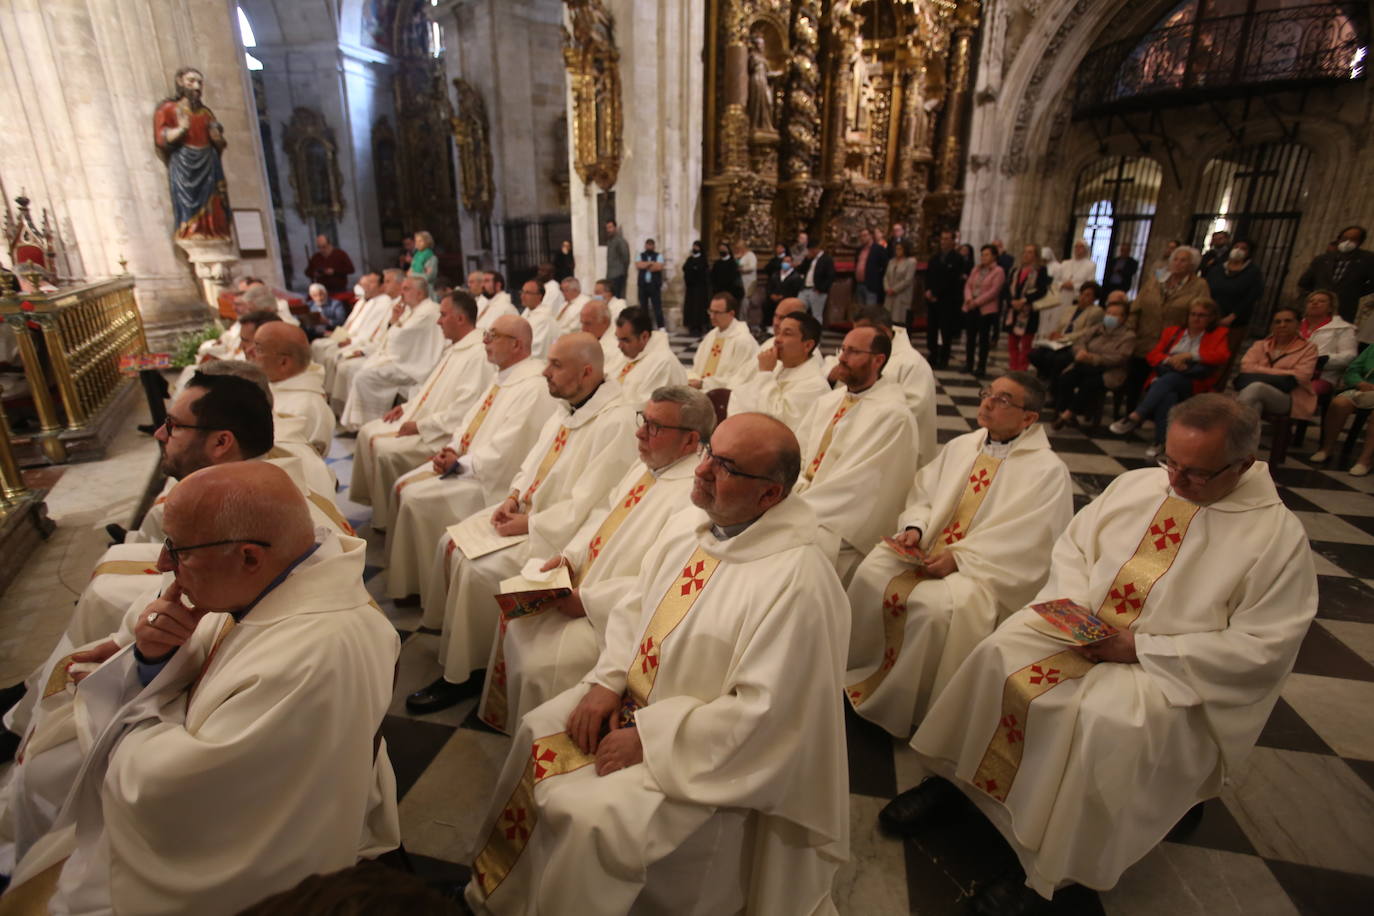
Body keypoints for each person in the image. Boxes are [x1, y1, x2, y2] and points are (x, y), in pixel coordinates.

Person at [895, 395, 1317, 913]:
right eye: (1171, 463)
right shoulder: (1139, 485)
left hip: (1167, 667)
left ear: (1244, 465)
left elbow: (1264, 646)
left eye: (1196, 474)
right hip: (1083, 630)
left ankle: (1054, 871)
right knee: (997, 654)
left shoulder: (1276, 538)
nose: (1175, 483)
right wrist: (1075, 609)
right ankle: (958, 785)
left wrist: (1139, 645)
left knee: (1100, 722)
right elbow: (1074, 546)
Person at [463, 413, 849, 915]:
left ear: (769, 497)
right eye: (710, 451)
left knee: (588, 817)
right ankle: (506, 896)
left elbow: (771, 714)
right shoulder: (697, 528)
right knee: (535, 732)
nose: (703, 469)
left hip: (705, 756)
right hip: (634, 702)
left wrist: (650, 737)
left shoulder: (799, 583)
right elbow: (636, 609)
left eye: (726, 466)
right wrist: (607, 681)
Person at [3, 462, 400, 914]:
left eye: (178, 549)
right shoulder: (280, 578)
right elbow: (220, 665)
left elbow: (172, 787)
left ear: (249, 556)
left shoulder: (314, 655)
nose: (162, 564)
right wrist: (154, 658)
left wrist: (128, 713)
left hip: (262, 854)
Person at [408, 334, 639, 713]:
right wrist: (514, 495)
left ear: (586, 372)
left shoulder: (616, 421)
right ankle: (462, 655)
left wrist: (529, 523)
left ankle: (469, 673)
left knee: (476, 570)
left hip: (555, 534)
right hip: (526, 512)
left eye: (555, 365)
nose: (545, 372)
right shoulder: (569, 406)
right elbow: (533, 460)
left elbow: (591, 501)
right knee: (449, 544)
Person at [846, 372, 1073, 736]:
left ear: (1029, 417)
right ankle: (859, 672)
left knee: (935, 611)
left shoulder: (1047, 472)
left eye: (1003, 400)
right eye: (989, 393)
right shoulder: (964, 445)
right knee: (873, 569)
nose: (987, 402)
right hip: (929, 548)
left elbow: (1029, 540)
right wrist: (916, 528)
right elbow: (925, 491)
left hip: (985, 573)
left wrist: (960, 558)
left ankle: (912, 705)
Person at [477, 386, 714, 733]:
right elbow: (604, 512)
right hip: (580, 585)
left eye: (654, 426)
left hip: (614, 620)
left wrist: (587, 601)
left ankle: (535, 731)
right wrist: (570, 557)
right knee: (514, 620)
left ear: (690, 440)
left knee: (537, 665)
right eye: (642, 420)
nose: (639, 432)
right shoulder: (650, 465)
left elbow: (664, 583)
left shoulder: (692, 501)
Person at [384, 316, 558, 602]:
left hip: (490, 479)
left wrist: (459, 464)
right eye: (487, 334)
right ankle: (418, 580)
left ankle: (423, 589)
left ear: (516, 345)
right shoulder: (504, 375)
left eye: (493, 335)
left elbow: (506, 450)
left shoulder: (533, 385)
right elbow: (470, 420)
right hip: (468, 463)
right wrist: (452, 448)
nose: (485, 341)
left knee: (415, 498)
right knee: (403, 486)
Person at [350, 291, 494, 531]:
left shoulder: (477, 354)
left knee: (385, 450)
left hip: (440, 432)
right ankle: (381, 507)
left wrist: (419, 425)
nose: (438, 321)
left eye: (443, 315)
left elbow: (464, 409)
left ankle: (388, 522)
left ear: (460, 319)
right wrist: (407, 407)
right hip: (424, 419)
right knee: (367, 431)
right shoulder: (457, 347)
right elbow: (432, 388)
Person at [795, 326, 920, 581]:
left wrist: (796, 506)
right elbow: (798, 451)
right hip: (804, 497)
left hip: (838, 523)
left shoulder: (893, 416)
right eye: (843, 349)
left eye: (853, 352)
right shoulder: (829, 400)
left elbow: (857, 487)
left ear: (878, 360)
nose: (841, 357)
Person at [1111, 298, 1230, 457]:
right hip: (1167, 377)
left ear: (1211, 318)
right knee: (1169, 394)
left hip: (1193, 381)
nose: (1196, 318)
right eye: (1193, 314)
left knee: (1171, 380)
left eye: (1202, 315)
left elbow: (1222, 356)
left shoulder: (1218, 334)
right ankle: (1161, 442)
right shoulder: (1173, 332)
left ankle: (1137, 415)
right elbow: (1153, 355)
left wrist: (1190, 356)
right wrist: (1171, 360)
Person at [339, 275, 445, 430]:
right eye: (402, 289)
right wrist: (395, 321)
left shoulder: (428, 311)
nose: (402, 293)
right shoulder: (412, 310)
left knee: (365, 377)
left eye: (406, 289)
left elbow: (401, 340)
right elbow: (394, 337)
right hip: (405, 360)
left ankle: (370, 425)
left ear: (420, 293)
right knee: (362, 371)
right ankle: (363, 425)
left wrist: (395, 322)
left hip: (415, 367)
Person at [848, 306, 939, 467]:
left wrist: (861, 419)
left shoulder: (912, 364)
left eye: (861, 332)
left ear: (883, 330)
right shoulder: (866, 351)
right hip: (866, 444)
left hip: (898, 453)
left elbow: (909, 412)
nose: (855, 338)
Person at [1124, 245, 1209, 411]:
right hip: (1145, 337)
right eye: (1175, 259)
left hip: (1173, 344)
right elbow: (1137, 307)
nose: (1178, 263)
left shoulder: (1199, 285)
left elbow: (1201, 313)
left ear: (1192, 265)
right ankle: (1130, 412)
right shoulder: (1157, 280)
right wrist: (1130, 329)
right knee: (1136, 377)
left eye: (1183, 260)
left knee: (1161, 383)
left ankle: (1151, 414)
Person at [153, 67, 230, 240]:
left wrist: (216, 138)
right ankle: (192, 229)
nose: (196, 86)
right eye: (191, 81)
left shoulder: (206, 113)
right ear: (180, 82)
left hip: (208, 163)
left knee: (215, 202)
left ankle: (214, 230)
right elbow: (161, 138)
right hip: (184, 164)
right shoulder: (168, 109)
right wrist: (180, 129)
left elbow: (219, 142)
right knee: (189, 202)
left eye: (199, 82)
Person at [729, 310, 831, 432]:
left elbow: (775, 424)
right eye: (778, 332)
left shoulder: (815, 386)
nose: (777, 340)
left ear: (808, 345)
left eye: (787, 334)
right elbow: (742, 397)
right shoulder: (778, 368)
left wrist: (765, 374)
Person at [1050, 298, 1136, 429]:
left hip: (1109, 371)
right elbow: (1080, 341)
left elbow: (1120, 358)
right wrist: (1081, 352)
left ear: (1123, 318)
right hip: (1085, 366)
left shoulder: (1128, 336)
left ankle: (1067, 414)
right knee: (1066, 378)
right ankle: (1064, 411)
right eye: (1108, 313)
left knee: (1089, 383)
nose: (1110, 317)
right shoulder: (1097, 329)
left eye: (1114, 314)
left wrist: (1094, 358)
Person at [251, 321, 334, 456]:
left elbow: (301, 464)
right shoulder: (273, 384)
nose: (249, 352)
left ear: (284, 363)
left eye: (258, 349)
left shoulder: (307, 408)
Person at [330, 270, 406, 410]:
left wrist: (363, 350)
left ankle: (360, 415)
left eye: (387, 281)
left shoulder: (396, 305)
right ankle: (345, 410)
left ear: (400, 285)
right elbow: (371, 332)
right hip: (373, 348)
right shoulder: (388, 303)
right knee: (338, 358)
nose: (384, 285)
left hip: (383, 353)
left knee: (350, 368)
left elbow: (390, 338)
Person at [1233, 307, 1319, 423]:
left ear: (1298, 324)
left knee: (1257, 387)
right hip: (1256, 394)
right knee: (1254, 404)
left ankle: (1231, 435)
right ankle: (1245, 439)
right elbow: (1246, 367)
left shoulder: (1309, 348)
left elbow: (1302, 376)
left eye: (1288, 321)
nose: (1282, 325)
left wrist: (1259, 370)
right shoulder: (1260, 345)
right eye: (1277, 322)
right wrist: (1285, 374)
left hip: (1292, 398)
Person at [1311, 342, 1374, 474]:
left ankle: (1366, 460)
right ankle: (1327, 449)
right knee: (1339, 403)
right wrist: (1360, 382)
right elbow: (1352, 370)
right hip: (1365, 390)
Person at [608, 306, 689, 406]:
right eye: (618, 339)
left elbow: (645, 407)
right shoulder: (629, 354)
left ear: (644, 337)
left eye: (625, 340)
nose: (619, 345)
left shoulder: (663, 362)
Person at [1028, 282, 1105, 385]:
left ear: (1094, 298)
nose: (1083, 297)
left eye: (1088, 295)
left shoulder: (1096, 311)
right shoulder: (1070, 308)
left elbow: (1086, 332)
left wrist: (1064, 337)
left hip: (1074, 343)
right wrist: (1054, 334)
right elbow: (1060, 326)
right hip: (1058, 341)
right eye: (1082, 294)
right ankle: (1043, 378)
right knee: (1035, 354)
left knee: (1054, 358)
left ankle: (1052, 384)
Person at [1299, 226, 1374, 323]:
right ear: (1339, 239)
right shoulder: (1322, 259)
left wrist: (1354, 292)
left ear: (1360, 242)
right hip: (1318, 309)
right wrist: (1318, 295)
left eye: (1353, 239)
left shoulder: (1367, 259)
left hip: (1344, 308)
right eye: (1345, 238)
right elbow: (1305, 282)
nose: (1347, 242)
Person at [1204, 238, 1263, 356]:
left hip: (1235, 322)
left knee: (1225, 352)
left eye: (1243, 248)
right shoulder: (1217, 269)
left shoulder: (1253, 273)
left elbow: (1251, 297)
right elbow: (1206, 290)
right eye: (1236, 247)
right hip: (1210, 318)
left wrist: (1232, 316)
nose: (1238, 250)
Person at [687, 292, 756, 391]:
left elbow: (739, 377)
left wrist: (704, 384)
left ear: (731, 314)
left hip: (725, 395)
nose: (712, 316)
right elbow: (697, 367)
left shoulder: (743, 340)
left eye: (717, 313)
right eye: (711, 311)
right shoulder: (711, 335)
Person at [1300, 288, 1358, 394]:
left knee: (1302, 393)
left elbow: (1349, 356)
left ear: (1331, 308)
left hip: (1323, 376)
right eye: (1311, 301)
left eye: (1321, 301)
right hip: (1289, 371)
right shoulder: (1294, 325)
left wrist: (1321, 360)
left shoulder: (1343, 328)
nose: (1315, 303)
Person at [1004, 245, 1051, 372]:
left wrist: (1024, 300)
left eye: (1030, 253)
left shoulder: (1040, 271)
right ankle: (1013, 367)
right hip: (1014, 310)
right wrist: (1012, 301)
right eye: (1025, 252)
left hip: (1028, 312)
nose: (1026, 255)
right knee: (1012, 343)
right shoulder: (1016, 271)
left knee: (1026, 344)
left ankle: (1021, 369)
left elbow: (1041, 290)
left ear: (1035, 256)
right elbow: (1007, 289)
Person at [1040, 240, 1097, 344]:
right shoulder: (1065, 263)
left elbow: (1090, 283)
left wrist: (1074, 286)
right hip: (1062, 296)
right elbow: (1056, 280)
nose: (1078, 250)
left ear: (1086, 250)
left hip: (1077, 297)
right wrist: (1063, 284)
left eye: (1081, 247)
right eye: (1076, 247)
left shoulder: (1090, 265)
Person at [963, 245, 1007, 377]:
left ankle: (981, 366)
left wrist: (976, 302)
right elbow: (968, 285)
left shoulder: (998, 271)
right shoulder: (976, 269)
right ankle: (969, 364)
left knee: (983, 339)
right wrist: (969, 299)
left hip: (986, 309)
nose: (983, 257)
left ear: (994, 256)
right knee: (970, 337)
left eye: (987, 255)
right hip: (971, 306)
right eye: (982, 255)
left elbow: (993, 291)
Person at [924, 230, 965, 368]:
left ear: (953, 241)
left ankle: (944, 357)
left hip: (947, 300)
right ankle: (933, 353)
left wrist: (936, 292)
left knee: (945, 330)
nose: (944, 241)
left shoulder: (958, 259)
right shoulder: (934, 258)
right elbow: (928, 276)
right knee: (932, 328)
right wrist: (928, 291)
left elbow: (952, 280)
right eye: (942, 239)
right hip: (932, 300)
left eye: (947, 239)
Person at [799, 239, 836, 325]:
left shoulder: (826, 259)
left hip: (817, 290)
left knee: (816, 314)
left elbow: (831, 276)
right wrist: (806, 260)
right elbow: (801, 270)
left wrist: (822, 288)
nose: (809, 252)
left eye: (810, 250)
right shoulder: (810, 259)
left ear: (815, 249)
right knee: (799, 311)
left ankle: (817, 334)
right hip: (805, 289)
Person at [766, 249, 805, 329]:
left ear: (792, 263)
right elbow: (769, 286)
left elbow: (794, 290)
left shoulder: (796, 276)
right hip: (773, 299)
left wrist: (782, 297)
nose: (785, 264)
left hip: (787, 299)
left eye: (788, 262)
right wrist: (771, 295)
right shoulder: (776, 274)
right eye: (784, 261)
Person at [884, 238, 917, 327]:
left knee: (899, 323)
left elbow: (908, 280)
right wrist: (887, 288)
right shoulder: (892, 261)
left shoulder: (911, 262)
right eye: (896, 249)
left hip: (901, 296)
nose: (897, 251)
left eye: (900, 249)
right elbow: (886, 276)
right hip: (890, 296)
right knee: (888, 322)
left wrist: (894, 289)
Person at [634, 238, 665, 329]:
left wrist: (646, 265)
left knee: (657, 307)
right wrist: (650, 263)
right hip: (643, 285)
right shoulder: (640, 255)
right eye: (648, 245)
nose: (649, 247)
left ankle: (661, 327)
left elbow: (658, 267)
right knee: (643, 308)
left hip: (654, 285)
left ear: (654, 246)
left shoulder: (658, 255)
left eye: (651, 245)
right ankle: (645, 327)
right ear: (645, 246)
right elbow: (638, 265)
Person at [682, 240, 711, 335]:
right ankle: (691, 326)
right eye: (694, 246)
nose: (695, 248)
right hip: (691, 288)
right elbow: (685, 268)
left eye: (697, 247)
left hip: (700, 288)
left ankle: (699, 326)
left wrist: (696, 269)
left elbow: (704, 272)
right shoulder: (689, 259)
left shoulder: (703, 260)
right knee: (691, 307)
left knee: (699, 308)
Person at [855, 227, 890, 307]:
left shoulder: (878, 249)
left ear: (870, 236)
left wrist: (878, 280)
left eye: (864, 235)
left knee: (870, 312)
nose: (862, 238)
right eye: (861, 236)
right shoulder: (859, 250)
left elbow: (886, 267)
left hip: (871, 286)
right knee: (860, 312)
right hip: (859, 285)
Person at [710, 239, 744, 305]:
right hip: (719, 292)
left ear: (728, 250)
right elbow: (713, 278)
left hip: (731, 293)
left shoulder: (733, 263)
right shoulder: (717, 264)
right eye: (720, 249)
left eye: (724, 248)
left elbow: (736, 279)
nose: (722, 250)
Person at [604, 220, 630, 299]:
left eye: (610, 227)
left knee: (617, 298)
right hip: (610, 275)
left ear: (615, 228)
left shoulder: (620, 241)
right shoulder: (610, 241)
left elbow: (626, 258)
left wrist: (622, 271)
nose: (608, 230)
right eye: (607, 228)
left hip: (618, 275)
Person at [734, 240, 759, 321]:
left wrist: (742, 269)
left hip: (749, 282)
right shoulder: (739, 255)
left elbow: (752, 267)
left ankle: (743, 321)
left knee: (745, 302)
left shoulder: (751, 255)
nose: (737, 249)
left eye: (739, 247)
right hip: (740, 282)